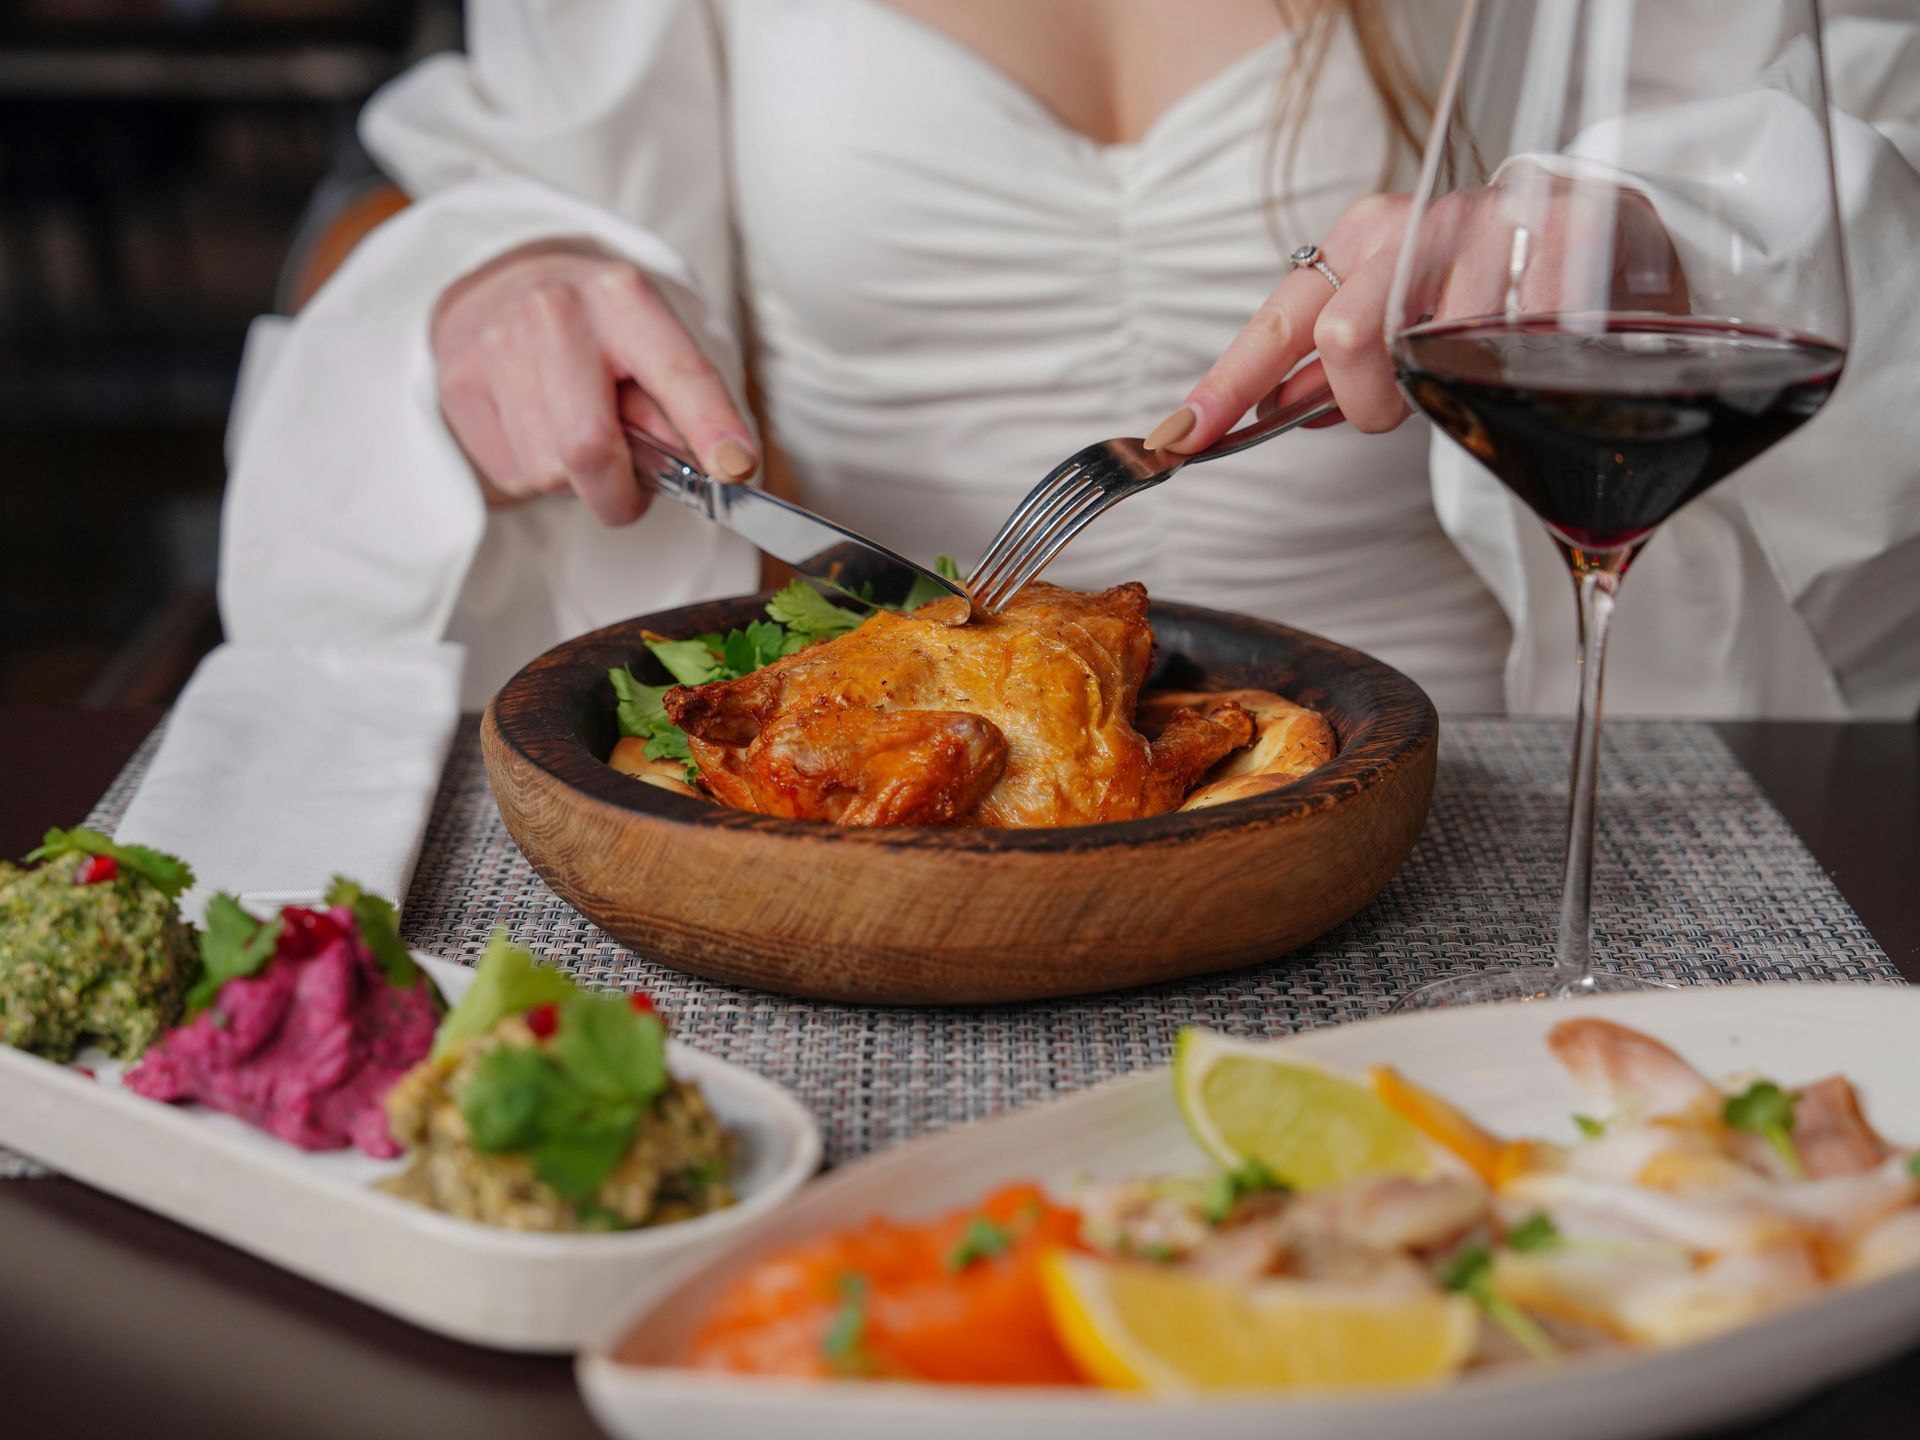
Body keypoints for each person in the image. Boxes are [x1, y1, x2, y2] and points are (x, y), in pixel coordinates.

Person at [220, 0, 1920, 717]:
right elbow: (506, 178)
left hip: (1471, 785)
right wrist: (498, 277)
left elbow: (1834, 144)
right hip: (855, 827)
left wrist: (1650, 236)